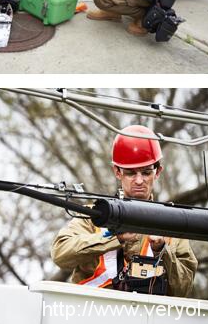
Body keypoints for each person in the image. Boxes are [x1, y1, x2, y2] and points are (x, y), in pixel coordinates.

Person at [51, 125, 198, 297]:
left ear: (158, 171)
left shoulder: (172, 224)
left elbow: (184, 289)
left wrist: (162, 251)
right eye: (130, 173)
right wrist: (114, 238)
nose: (138, 180)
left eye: (146, 172)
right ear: (117, 172)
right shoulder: (95, 216)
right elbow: (60, 254)